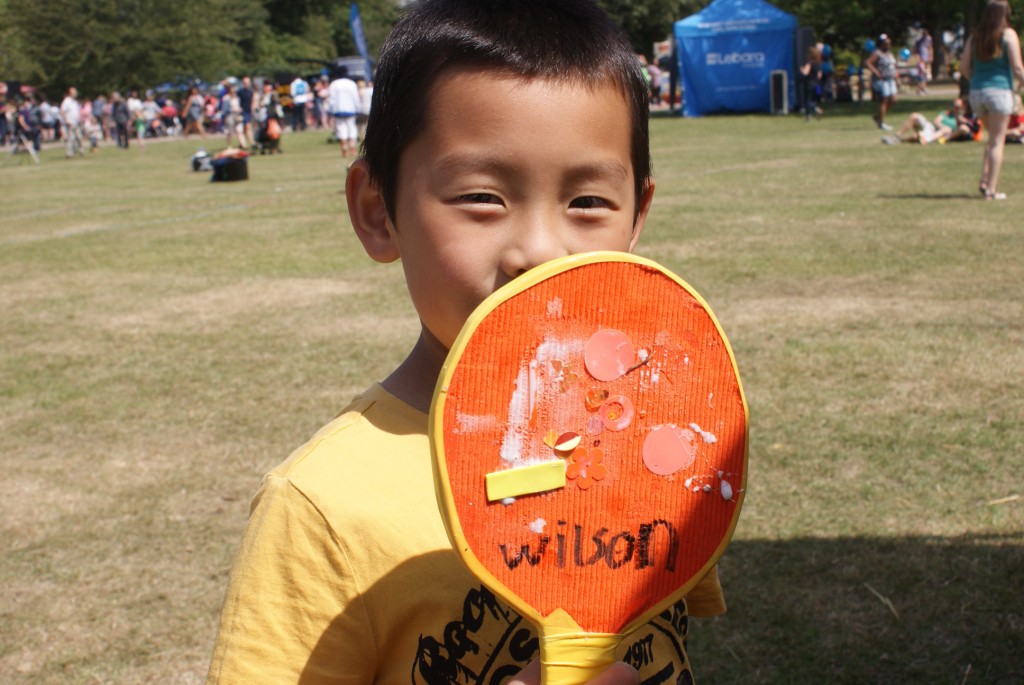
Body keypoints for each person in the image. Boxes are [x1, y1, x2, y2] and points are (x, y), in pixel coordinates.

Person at [205, 1, 726, 683]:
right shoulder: (324, 509)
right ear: (377, 210)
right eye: (482, 196)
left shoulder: (662, 446)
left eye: (589, 203)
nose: (539, 251)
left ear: (636, 218)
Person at [960, 0, 1024, 200]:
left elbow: (963, 67)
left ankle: (984, 179)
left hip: (977, 93)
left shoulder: (975, 36)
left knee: (991, 139)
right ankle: (991, 190)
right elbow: (1017, 68)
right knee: (998, 141)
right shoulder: (1008, 35)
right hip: (1000, 93)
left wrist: (976, 80)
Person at [865, 34, 898, 130]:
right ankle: (881, 122)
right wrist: (876, 72)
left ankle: (877, 116)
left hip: (891, 79)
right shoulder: (877, 53)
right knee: (884, 100)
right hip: (882, 80)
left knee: (893, 100)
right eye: (885, 42)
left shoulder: (890, 53)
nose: (887, 44)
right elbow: (868, 62)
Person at [327, 66, 360, 157]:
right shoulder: (352, 83)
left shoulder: (334, 84)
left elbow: (331, 100)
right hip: (351, 110)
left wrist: (330, 112)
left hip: (338, 110)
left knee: (341, 129)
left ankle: (344, 148)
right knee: (352, 128)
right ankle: (352, 148)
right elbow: (355, 98)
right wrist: (358, 109)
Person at [799, 44, 824, 120]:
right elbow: (820, 75)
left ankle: (810, 114)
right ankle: (816, 109)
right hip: (818, 85)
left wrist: (801, 69)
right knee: (815, 99)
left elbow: (805, 73)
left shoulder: (809, 63)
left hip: (809, 84)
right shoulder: (818, 63)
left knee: (807, 100)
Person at [60, 86, 84, 157]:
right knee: (70, 138)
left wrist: (80, 118)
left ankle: (81, 150)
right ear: (70, 93)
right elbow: (62, 111)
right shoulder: (67, 101)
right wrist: (66, 121)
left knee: (79, 137)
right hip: (70, 122)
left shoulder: (75, 102)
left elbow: (77, 111)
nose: (76, 94)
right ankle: (69, 153)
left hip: (77, 122)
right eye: (74, 92)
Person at [915, 28, 934, 95]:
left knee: (926, 75)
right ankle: (920, 89)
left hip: (926, 58)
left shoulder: (928, 39)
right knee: (921, 75)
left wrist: (931, 56)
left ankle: (923, 88)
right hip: (921, 59)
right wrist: (918, 59)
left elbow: (930, 48)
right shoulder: (918, 40)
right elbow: (916, 50)